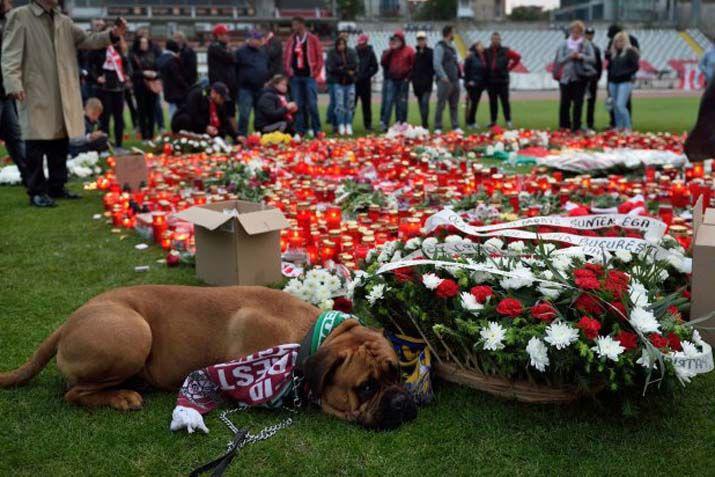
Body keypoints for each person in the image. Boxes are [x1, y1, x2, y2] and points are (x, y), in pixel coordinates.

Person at [2, 0, 126, 207]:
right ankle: (37, 191)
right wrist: (13, 83)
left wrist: (112, 35)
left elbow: (88, 39)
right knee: (36, 141)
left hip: (63, 90)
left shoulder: (63, 21)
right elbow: (10, 53)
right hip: (36, 89)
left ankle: (57, 186)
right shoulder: (20, 16)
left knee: (60, 140)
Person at [0, 0, 26, 186]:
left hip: (3, 91)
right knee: (14, 136)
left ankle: (30, 177)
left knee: (14, 135)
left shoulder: (6, 22)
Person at [284, 16, 323, 137]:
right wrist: (289, 71)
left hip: (309, 77)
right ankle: (300, 130)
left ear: (301, 25)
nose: (293, 27)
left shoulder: (312, 39)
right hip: (296, 77)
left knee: (312, 104)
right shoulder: (291, 40)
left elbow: (319, 57)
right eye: (292, 25)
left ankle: (317, 130)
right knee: (298, 105)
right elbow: (286, 57)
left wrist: (315, 73)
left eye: (295, 24)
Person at [554, 20, 596, 132]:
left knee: (578, 103)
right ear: (570, 31)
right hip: (566, 78)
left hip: (580, 77)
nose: (575, 34)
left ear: (582, 32)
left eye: (578, 31)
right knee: (564, 103)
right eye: (573, 31)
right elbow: (559, 60)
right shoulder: (563, 44)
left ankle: (576, 126)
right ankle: (564, 125)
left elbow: (592, 59)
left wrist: (580, 56)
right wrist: (570, 56)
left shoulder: (586, 44)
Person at [93, 34, 131, 151]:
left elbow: (127, 65)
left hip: (119, 88)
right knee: (105, 118)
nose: (115, 42)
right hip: (105, 89)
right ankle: (104, 146)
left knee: (119, 118)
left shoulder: (120, 51)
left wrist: (128, 74)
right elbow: (90, 66)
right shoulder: (100, 51)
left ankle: (119, 145)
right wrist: (97, 77)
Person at [171, 82, 238, 141]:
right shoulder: (197, 94)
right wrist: (205, 127)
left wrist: (236, 135)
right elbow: (193, 114)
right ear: (214, 93)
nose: (223, 100)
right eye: (221, 97)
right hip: (185, 122)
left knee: (220, 132)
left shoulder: (218, 103)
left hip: (201, 125)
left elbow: (225, 121)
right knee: (186, 119)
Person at [235, 30, 270, 137]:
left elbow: (266, 67)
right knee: (244, 115)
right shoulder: (240, 52)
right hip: (245, 88)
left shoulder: (263, 53)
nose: (258, 42)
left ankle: (259, 136)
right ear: (249, 39)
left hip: (260, 88)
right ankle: (241, 137)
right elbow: (235, 70)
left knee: (260, 115)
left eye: (259, 39)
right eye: (256, 39)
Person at [380, 30, 415, 131]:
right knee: (389, 101)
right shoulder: (391, 51)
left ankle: (401, 123)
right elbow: (383, 62)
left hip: (404, 80)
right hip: (392, 79)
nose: (396, 41)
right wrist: (391, 50)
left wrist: (408, 78)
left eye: (398, 39)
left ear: (402, 40)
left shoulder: (409, 50)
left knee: (402, 103)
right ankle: (385, 123)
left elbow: (413, 65)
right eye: (395, 39)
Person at [606, 25, 639, 127]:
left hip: (625, 81)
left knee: (621, 105)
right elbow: (610, 66)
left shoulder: (630, 51)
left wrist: (627, 73)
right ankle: (619, 127)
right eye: (617, 41)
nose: (619, 43)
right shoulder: (613, 53)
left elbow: (635, 66)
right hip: (613, 81)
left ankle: (628, 127)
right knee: (615, 106)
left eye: (621, 41)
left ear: (625, 41)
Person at [485, 32, 520, 128]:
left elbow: (517, 57)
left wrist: (509, 68)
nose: (495, 40)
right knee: (492, 102)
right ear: (491, 40)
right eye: (493, 39)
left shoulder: (506, 51)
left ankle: (508, 120)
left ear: (500, 40)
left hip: (503, 80)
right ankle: (493, 121)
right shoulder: (487, 51)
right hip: (491, 81)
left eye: (497, 39)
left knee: (505, 102)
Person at [326, 37, 358, 136]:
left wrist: (342, 68)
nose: (341, 46)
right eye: (339, 44)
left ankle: (348, 124)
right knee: (339, 105)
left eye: (343, 44)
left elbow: (354, 65)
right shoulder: (331, 53)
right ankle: (340, 125)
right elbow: (332, 68)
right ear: (336, 45)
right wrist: (347, 70)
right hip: (338, 83)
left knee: (350, 104)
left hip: (350, 83)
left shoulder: (351, 52)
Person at [130, 36, 160, 141]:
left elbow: (159, 69)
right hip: (140, 86)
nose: (144, 45)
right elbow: (131, 73)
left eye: (146, 43)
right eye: (142, 43)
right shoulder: (134, 55)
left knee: (152, 111)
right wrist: (143, 73)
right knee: (142, 111)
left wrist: (155, 74)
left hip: (152, 86)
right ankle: (144, 135)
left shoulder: (153, 54)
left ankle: (151, 135)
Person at [208, 24, 237, 129]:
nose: (228, 37)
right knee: (220, 112)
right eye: (225, 34)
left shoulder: (224, 47)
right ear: (218, 35)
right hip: (220, 87)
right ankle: (220, 135)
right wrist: (231, 52)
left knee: (231, 111)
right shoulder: (214, 47)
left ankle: (235, 135)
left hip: (229, 86)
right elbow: (231, 57)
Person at [433, 25, 461, 134]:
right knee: (441, 104)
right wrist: (443, 76)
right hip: (444, 81)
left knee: (454, 105)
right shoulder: (440, 47)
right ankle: (438, 126)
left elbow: (455, 64)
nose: (454, 35)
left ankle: (455, 126)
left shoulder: (452, 48)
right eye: (453, 32)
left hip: (455, 80)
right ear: (449, 33)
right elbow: (436, 63)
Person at [157, 39, 190, 119]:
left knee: (172, 109)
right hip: (176, 90)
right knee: (177, 111)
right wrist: (185, 85)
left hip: (168, 88)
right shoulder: (172, 60)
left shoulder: (161, 58)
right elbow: (177, 76)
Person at [354, 34, 378, 132]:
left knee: (367, 105)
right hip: (355, 82)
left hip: (366, 82)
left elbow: (375, 67)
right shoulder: (354, 52)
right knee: (352, 105)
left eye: (363, 44)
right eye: (360, 43)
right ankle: (347, 124)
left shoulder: (370, 52)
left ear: (366, 43)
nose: (361, 45)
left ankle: (368, 125)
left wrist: (367, 75)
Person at [464, 41, 489, 129]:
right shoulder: (471, 56)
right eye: (480, 45)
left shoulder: (482, 57)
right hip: (472, 83)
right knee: (473, 103)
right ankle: (470, 122)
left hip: (480, 84)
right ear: (476, 47)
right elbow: (466, 69)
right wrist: (468, 81)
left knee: (475, 103)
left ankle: (472, 121)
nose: (482, 47)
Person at [411, 31, 434, 129]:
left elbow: (432, 66)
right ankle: (423, 122)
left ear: (425, 40)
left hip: (427, 83)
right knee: (421, 104)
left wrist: (423, 52)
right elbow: (414, 69)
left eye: (422, 40)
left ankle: (425, 123)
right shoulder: (415, 55)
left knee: (425, 102)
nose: (421, 42)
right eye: (419, 40)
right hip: (417, 84)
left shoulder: (430, 52)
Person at [584, 27, 602, 130]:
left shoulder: (596, 48)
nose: (589, 36)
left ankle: (590, 123)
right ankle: (578, 123)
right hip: (582, 77)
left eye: (591, 34)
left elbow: (598, 64)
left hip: (592, 78)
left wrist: (597, 77)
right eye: (587, 34)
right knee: (579, 101)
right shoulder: (580, 47)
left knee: (591, 102)